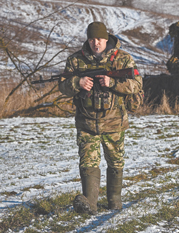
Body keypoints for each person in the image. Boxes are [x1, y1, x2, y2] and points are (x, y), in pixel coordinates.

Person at [58, 22, 142, 215]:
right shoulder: (76, 61)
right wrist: (77, 82)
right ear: (88, 40)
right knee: (88, 162)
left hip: (114, 122)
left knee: (115, 162)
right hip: (86, 123)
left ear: (106, 39)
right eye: (92, 39)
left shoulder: (123, 59)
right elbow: (62, 87)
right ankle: (90, 205)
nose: (96, 43)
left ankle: (115, 202)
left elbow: (137, 84)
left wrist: (112, 83)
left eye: (99, 39)